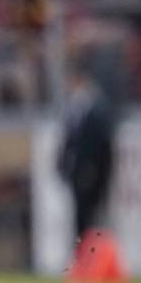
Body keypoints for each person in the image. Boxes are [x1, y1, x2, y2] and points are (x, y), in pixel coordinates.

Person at [57, 57, 115, 241]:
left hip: (90, 171)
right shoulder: (75, 106)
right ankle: (84, 257)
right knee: (80, 217)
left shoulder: (95, 106)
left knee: (89, 216)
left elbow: (99, 144)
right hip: (78, 171)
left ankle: (91, 257)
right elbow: (69, 140)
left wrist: (92, 169)